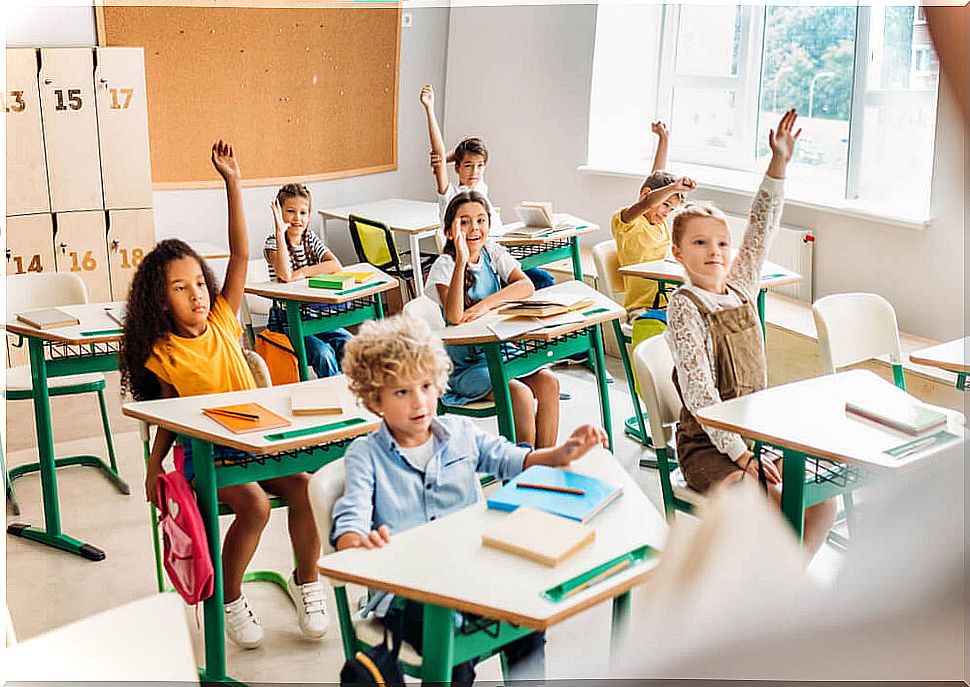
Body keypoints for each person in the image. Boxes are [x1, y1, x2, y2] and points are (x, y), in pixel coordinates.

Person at [119, 141, 328, 649]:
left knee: (304, 487)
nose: (195, 295)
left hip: (254, 439)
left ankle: (309, 583)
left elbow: (239, 253)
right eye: (179, 288)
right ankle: (228, 597)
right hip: (204, 454)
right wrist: (154, 466)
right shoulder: (162, 352)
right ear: (159, 300)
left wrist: (233, 183)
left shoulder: (222, 319)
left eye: (198, 283)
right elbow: (170, 417)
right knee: (254, 507)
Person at [331, 314, 609, 684]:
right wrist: (361, 543)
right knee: (451, 638)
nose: (420, 402)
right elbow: (349, 523)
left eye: (427, 386)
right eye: (402, 392)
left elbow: (514, 460)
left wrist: (562, 452)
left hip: (471, 574)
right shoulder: (365, 454)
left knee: (528, 617)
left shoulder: (460, 432)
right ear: (374, 400)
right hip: (406, 594)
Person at [664, 110, 837, 554]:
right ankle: (770, 598)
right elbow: (703, 400)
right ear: (677, 252)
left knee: (822, 498)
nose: (713, 251)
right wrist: (743, 457)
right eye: (699, 243)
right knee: (774, 504)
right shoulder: (684, 308)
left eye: (720, 242)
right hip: (707, 444)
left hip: (758, 433)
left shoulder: (741, 286)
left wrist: (778, 163)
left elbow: (761, 227)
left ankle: (788, 588)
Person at [425, 191, 561, 448]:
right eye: (464, 222)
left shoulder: (492, 252)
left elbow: (525, 285)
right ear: (450, 231)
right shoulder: (444, 265)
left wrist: (486, 304)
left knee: (549, 382)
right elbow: (454, 316)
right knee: (520, 394)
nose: (474, 228)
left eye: (480, 220)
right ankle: (523, 473)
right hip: (467, 368)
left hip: (502, 353)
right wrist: (462, 261)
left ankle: (544, 466)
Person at [420, 83, 555, 291]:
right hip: (476, 266)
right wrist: (429, 109)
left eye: (480, 166)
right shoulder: (451, 196)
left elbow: (474, 152)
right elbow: (438, 156)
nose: (474, 171)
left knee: (543, 279)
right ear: (456, 167)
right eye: (467, 166)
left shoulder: (481, 189)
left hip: (495, 256)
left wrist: (457, 157)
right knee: (539, 281)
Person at [611, 121, 697, 323]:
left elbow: (656, 176)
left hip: (667, 303)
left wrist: (663, 139)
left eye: (671, 208)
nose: (667, 213)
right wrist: (673, 187)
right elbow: (650, 199)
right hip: (641, 309)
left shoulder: (660, 225)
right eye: (665, 205)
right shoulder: (627, 222)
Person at [264, 182, 351, 378]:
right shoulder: (273, 243)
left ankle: (354, 393)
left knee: (352, 345)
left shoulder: (310, 238)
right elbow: (285, 275)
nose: (297, 218)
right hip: (287, 324)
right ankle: (335, 395)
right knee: (324, 353)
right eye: (290, 212)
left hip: (315, 317)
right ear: (279, 214)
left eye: (303, 213)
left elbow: (335, 265)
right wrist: (280, 231)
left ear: (309, 215)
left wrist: (303, 272)